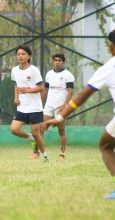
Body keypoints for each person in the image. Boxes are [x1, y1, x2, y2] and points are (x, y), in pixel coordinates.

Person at [44, 30, 115, 199]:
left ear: (112, 47)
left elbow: (82, 95)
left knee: (105, 146)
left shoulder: (110, 67)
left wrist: (60, 116)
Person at [10, 45, 49, 162]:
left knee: (37, 134)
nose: (20, 56)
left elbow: (41, 88)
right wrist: (16, 98)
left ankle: (45, 157)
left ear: (29, 56)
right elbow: (16, 85)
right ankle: (31, 138)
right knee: (14, 129)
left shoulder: (34, 70)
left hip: (35, 108)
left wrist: (28, 90)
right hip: (22, 108)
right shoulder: (14, 70)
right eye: (18, 54)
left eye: (23, 54)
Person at [41, 54, 74, 159]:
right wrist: (39, 102)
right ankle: (41, 153)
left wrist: (64, 105)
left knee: (61, 131)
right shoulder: (49, 74)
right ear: (53, 62)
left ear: (63, 62)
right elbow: (45, 90)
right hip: (49, 106)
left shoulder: (68, 75)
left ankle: (62, 153)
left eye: (59, 60)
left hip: (61, 107)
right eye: (55, 60)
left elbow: (70, 92)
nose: (57, 62)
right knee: (41, 128)